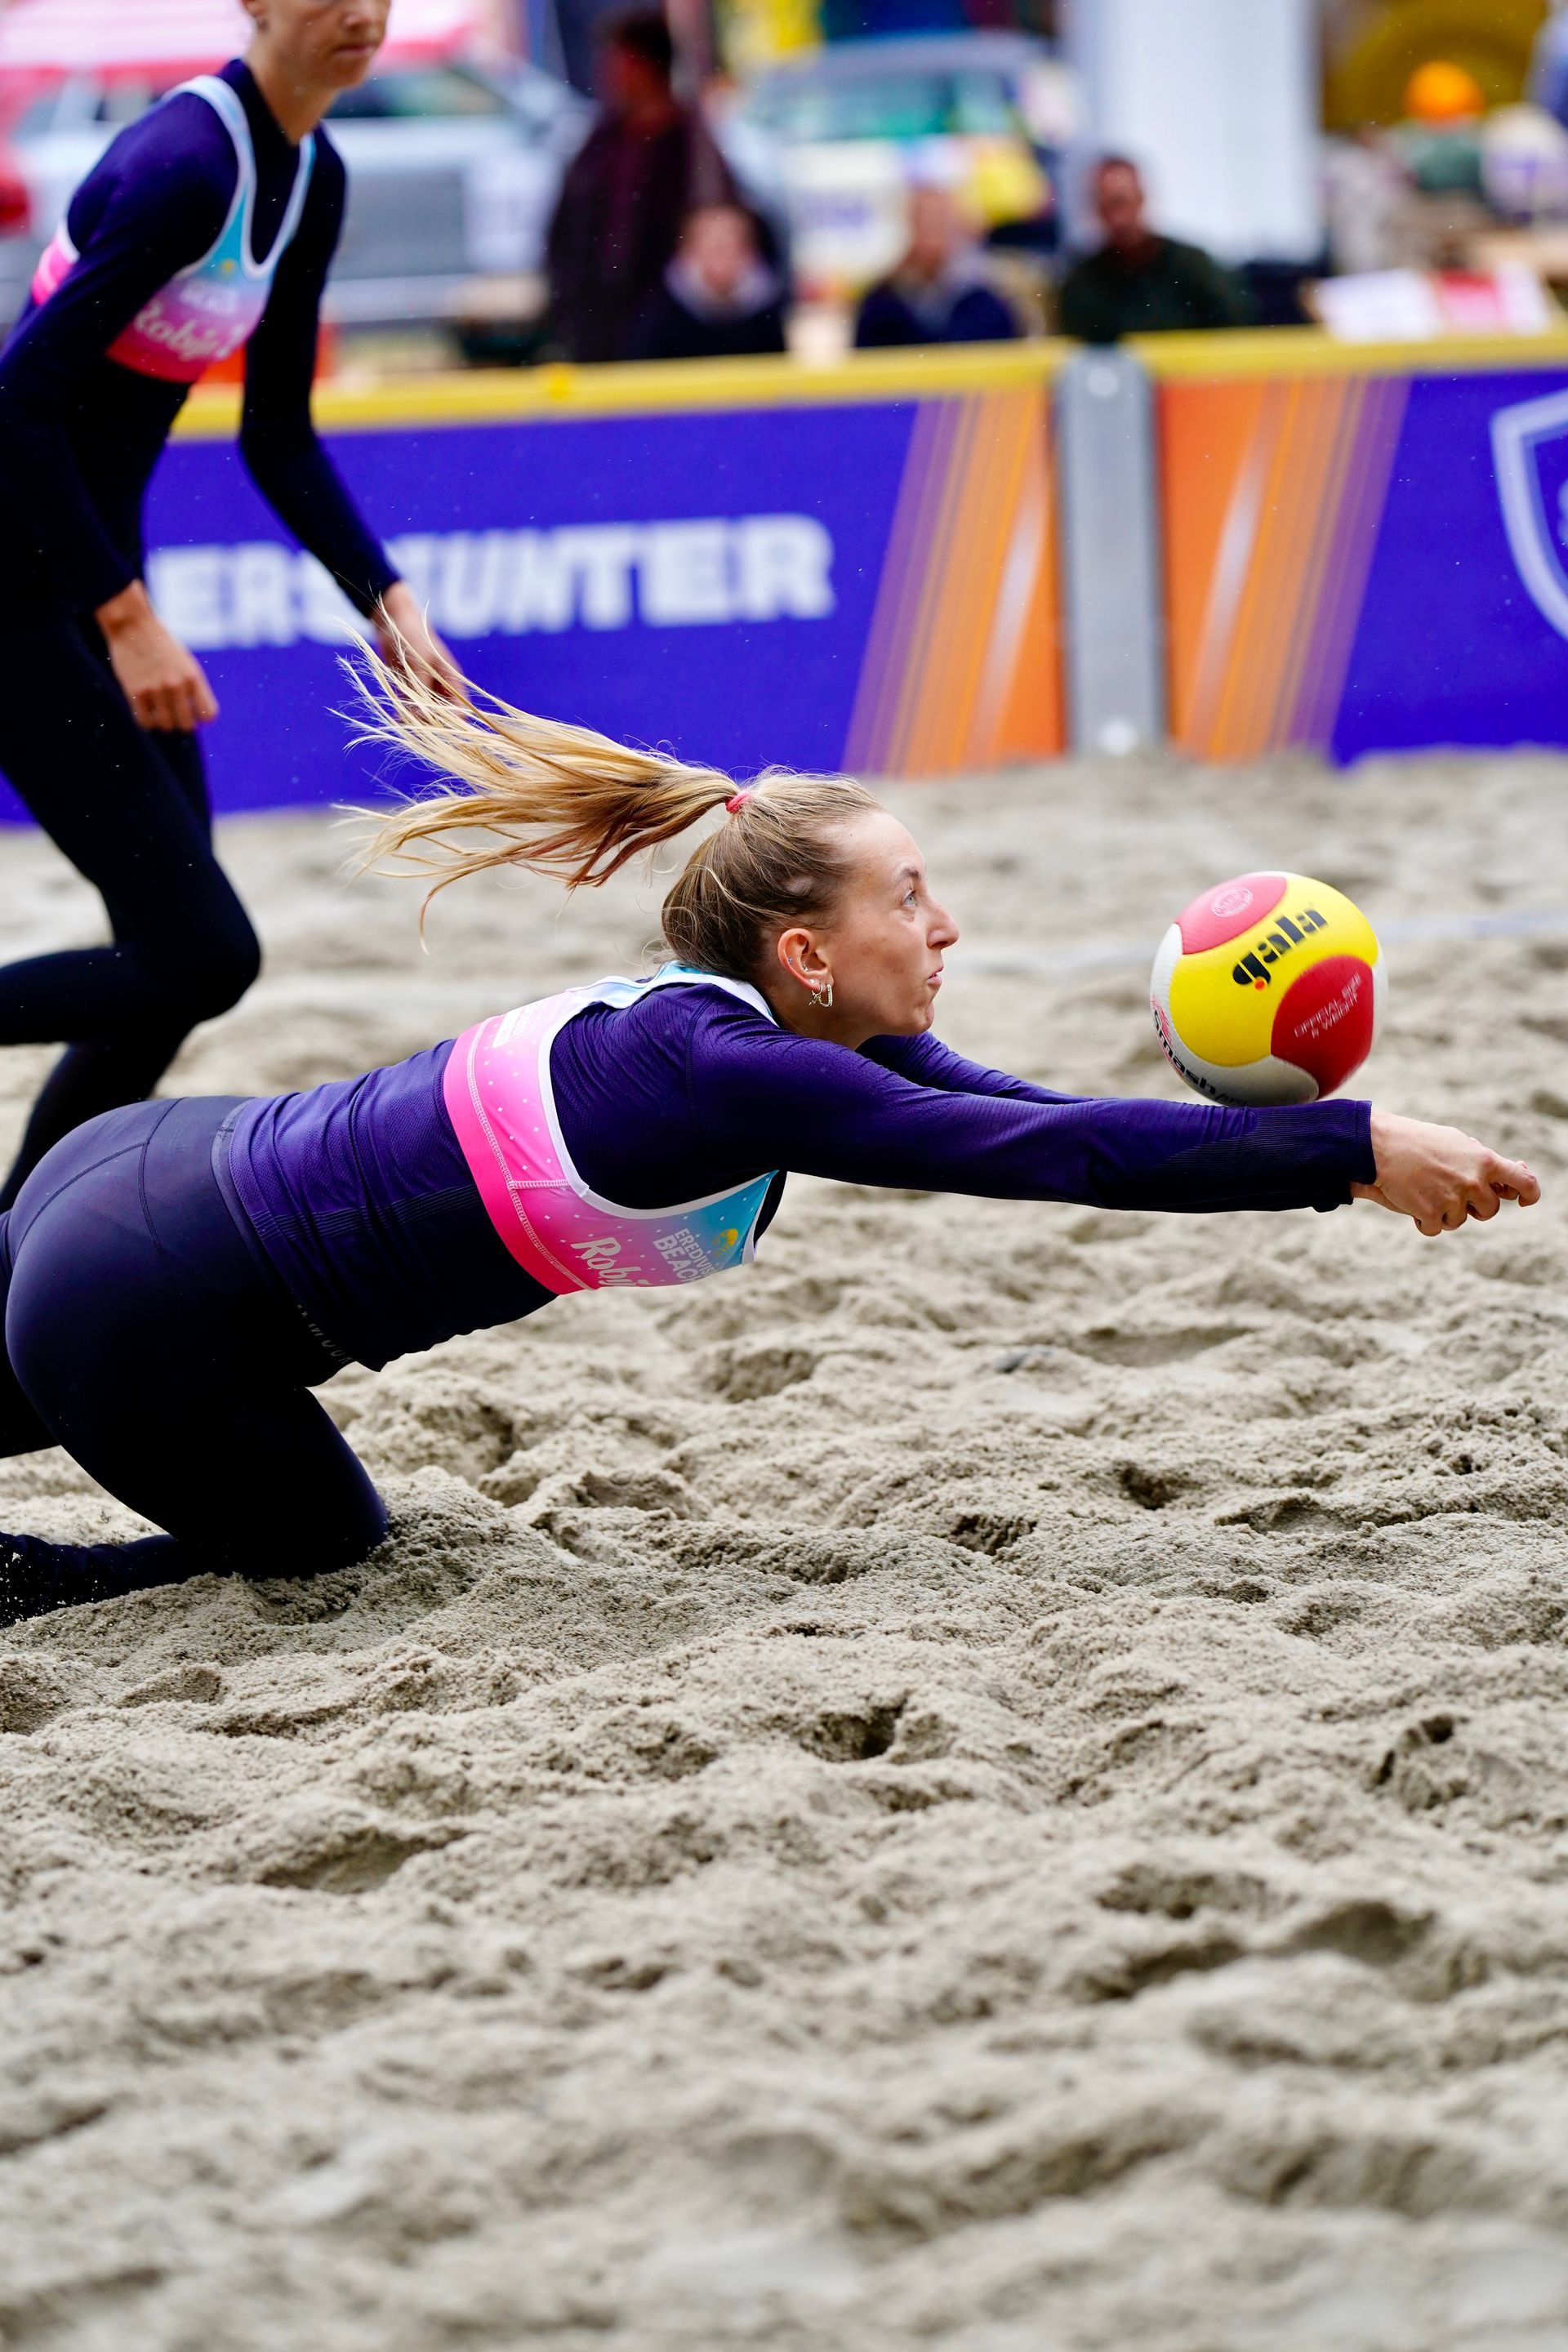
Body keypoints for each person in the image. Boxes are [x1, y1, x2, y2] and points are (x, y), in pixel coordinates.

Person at [0, 657, 1541, 1628]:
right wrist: (1352, 1145)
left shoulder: (750, 1032)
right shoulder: (735, 1073)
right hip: (157, 1291)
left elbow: (1040, 1121)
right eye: (909, 898)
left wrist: (1336, 1146)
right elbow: (1065, 1163)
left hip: (138, 1181)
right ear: (804, 954)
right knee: (333, 1545)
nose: (946, 926)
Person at [0, 0, 458, 1213]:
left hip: (82, 572)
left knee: (174, 969)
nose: (361, 13)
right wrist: (126, 618)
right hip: (22, 588)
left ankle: (9, 1248)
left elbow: (278, 434)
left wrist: (385, 596)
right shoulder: (187, 167)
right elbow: (17, 404)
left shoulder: (310, 173)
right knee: (201, 952)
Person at [546, 7, 735, 364]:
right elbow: (567, 227)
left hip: (664, 333)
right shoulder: (603, 141)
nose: (607, 72)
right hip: (596, 324)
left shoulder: (692, 148)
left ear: (648, 66)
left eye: (620, 61)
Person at [1056, 156, 1250, 344]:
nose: (1119, 219)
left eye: (1122, 202)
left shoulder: (1192, 266)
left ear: (1141, 199)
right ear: (1095, 209)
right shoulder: (1083, 282)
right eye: (1108, 205)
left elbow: (1239, 326)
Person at [853, 184, 1020, 350]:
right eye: (923, 222)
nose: (931, 233)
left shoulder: (988, 297)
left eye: (939, 222)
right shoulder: (882, 301)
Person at [624, 203, 788, 362]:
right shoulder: (657, 316)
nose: (723, 257)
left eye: (732, 246)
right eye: (714, 247)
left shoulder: (775, 312)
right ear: (688, 251)